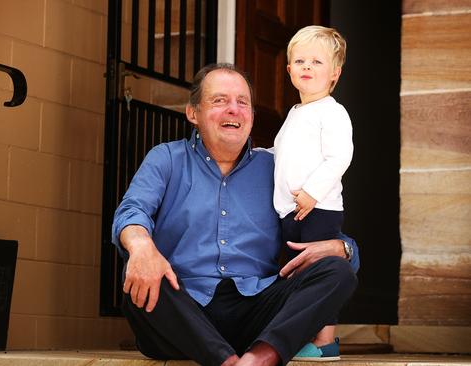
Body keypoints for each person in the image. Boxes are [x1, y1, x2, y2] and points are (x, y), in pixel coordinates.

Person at [112, 63, 358, 366]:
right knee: (138, 275)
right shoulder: (167, 158)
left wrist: (342, 248)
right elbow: (132, 211)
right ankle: (227, 361)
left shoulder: (275, 168)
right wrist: (141, 247)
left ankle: (259, 358)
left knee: (337, 271)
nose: (234, 110)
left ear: (252, 117)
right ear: (193, 113)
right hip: (183, 310)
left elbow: (322, 224)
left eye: (243, 102)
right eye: (219, 101)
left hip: (256, 313)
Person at [273, 26, 353, 360]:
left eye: (317, 62)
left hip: (317, 209)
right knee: (297, 272)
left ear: (334, 73)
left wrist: (312, 193)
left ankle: (325, 342)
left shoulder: (332, 112)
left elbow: (340, 157)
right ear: (289, 69)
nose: (307, 67)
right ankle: (303, 333)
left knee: (318, 271)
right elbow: (282, 155)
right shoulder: (294, 114)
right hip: (290, 211)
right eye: (300, 60)